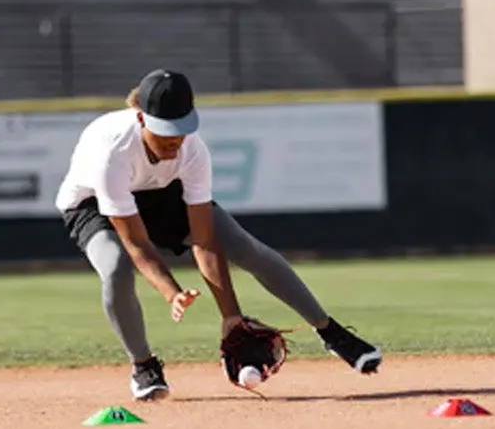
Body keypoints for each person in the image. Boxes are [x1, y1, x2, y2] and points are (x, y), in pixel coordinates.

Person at [55, 68, 382, 401]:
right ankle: (144, 366)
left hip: (164, 193)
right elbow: (137, 244)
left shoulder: (192, 151)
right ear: (141, 119)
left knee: (244, 247)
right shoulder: (113, 154)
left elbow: (205, 240)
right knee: (116, 267)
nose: (174, 140)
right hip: (91, 203)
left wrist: (231, 317)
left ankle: (331, 332)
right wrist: (171, 292)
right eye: (165, 130)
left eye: (181, 129)